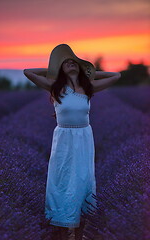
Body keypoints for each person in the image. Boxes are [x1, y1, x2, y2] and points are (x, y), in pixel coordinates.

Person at [23, 44, 121, 240]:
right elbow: (28, 72)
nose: (70, 63)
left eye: (73, 62)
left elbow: (116, 76)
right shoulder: (55, 87)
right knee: (61, 182)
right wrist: (52, 72)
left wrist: (90, 72)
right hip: (64, 139)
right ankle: (60, 230)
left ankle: (78, 233)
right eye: (66, 62)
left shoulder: (88, 88)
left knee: (82, 181)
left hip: (84, 139)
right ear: (60, 69)